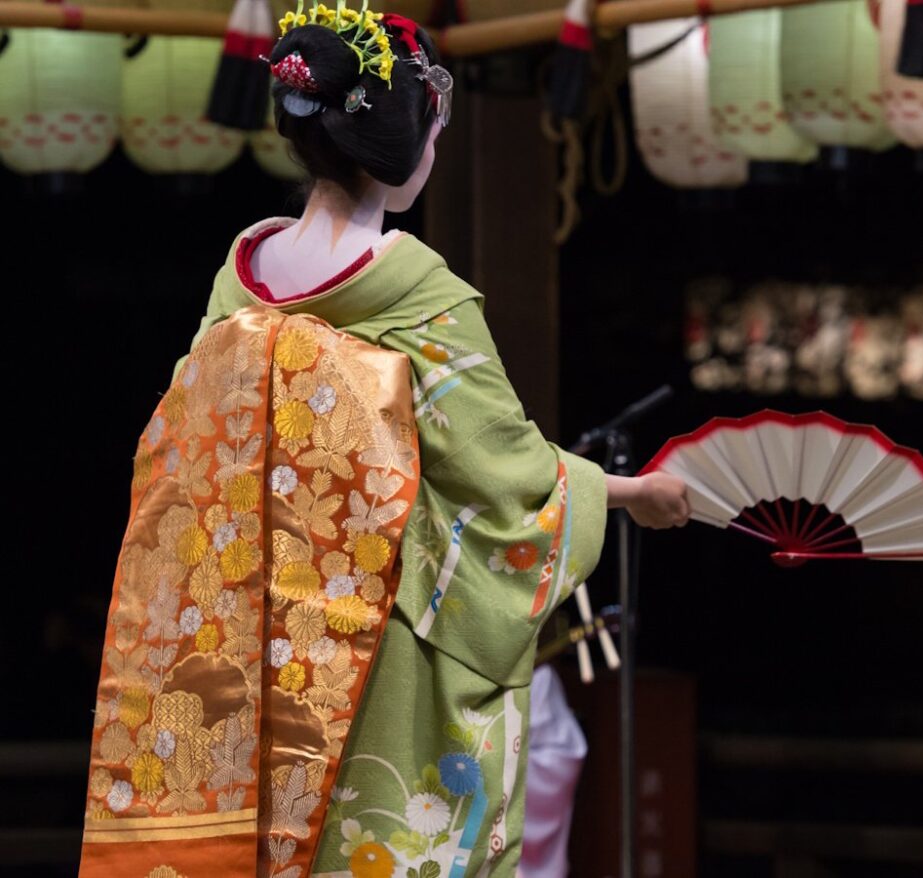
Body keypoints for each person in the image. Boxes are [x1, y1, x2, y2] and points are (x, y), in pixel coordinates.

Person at [78, 6, 688, 878]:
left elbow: (180, 442)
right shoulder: (420, 296)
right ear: (409, 146)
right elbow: (506, 474)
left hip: (256, 638)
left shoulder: (241, 278)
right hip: (378, 643)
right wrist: (630, 493)